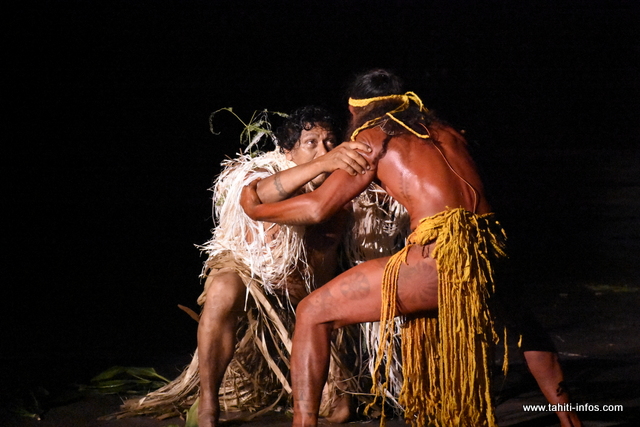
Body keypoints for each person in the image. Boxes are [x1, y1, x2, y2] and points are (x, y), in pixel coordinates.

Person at [241, 69, 582, 427]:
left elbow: (316, 209)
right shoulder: (449, 132)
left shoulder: (372, 139)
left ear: (354, 110)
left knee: (312, 311)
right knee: (524, 324)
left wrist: (256, 209)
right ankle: (570, 420)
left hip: (441, 256)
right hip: (491, 253)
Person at [120, 106, 372, 427]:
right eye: (311, 143)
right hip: (252, 275)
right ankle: (208, 404)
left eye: (330, 142)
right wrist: (323, 163)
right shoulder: (262, 170)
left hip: (308, 300)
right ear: (287, 151)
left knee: (339, 410)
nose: (324, 150)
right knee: (222, 290)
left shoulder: (345, 185)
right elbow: (259, 196)